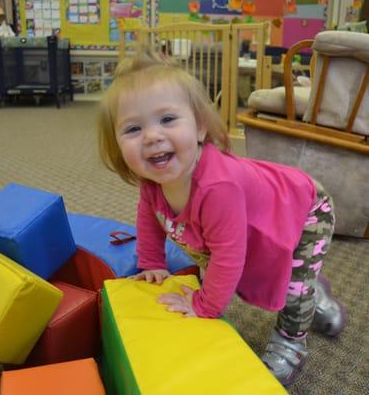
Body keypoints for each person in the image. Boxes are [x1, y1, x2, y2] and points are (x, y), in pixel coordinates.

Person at [98, 47, 346, 386]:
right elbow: (149, 216)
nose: (152, 136)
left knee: (293, 283)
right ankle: (312, 291)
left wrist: (205, 305)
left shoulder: (218, 187)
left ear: (200, 128)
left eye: (167, 120)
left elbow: (228, 256)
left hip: (306, 209)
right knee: (277, 270)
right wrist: (151, 261)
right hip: (263, 209)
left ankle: (292, 341)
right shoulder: (153, 179)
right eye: (132, 129)